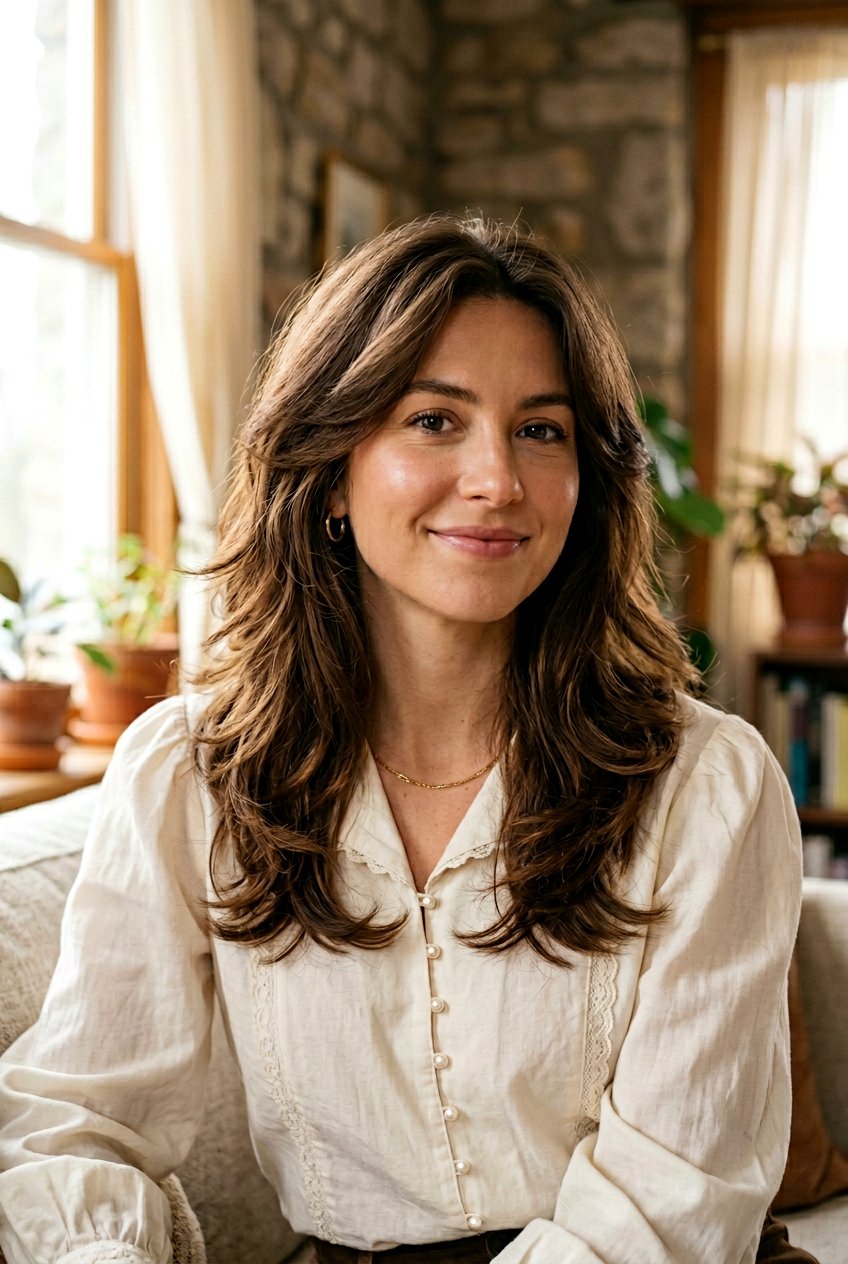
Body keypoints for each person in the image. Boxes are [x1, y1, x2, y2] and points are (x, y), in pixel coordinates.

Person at [0, 217, 812, 1264]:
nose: (496, 479)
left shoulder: (707, 786)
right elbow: (75, 1118)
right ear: (332, 468)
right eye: (434, 420)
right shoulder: (188, 774)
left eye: (541, 430)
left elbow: (669, 1202)